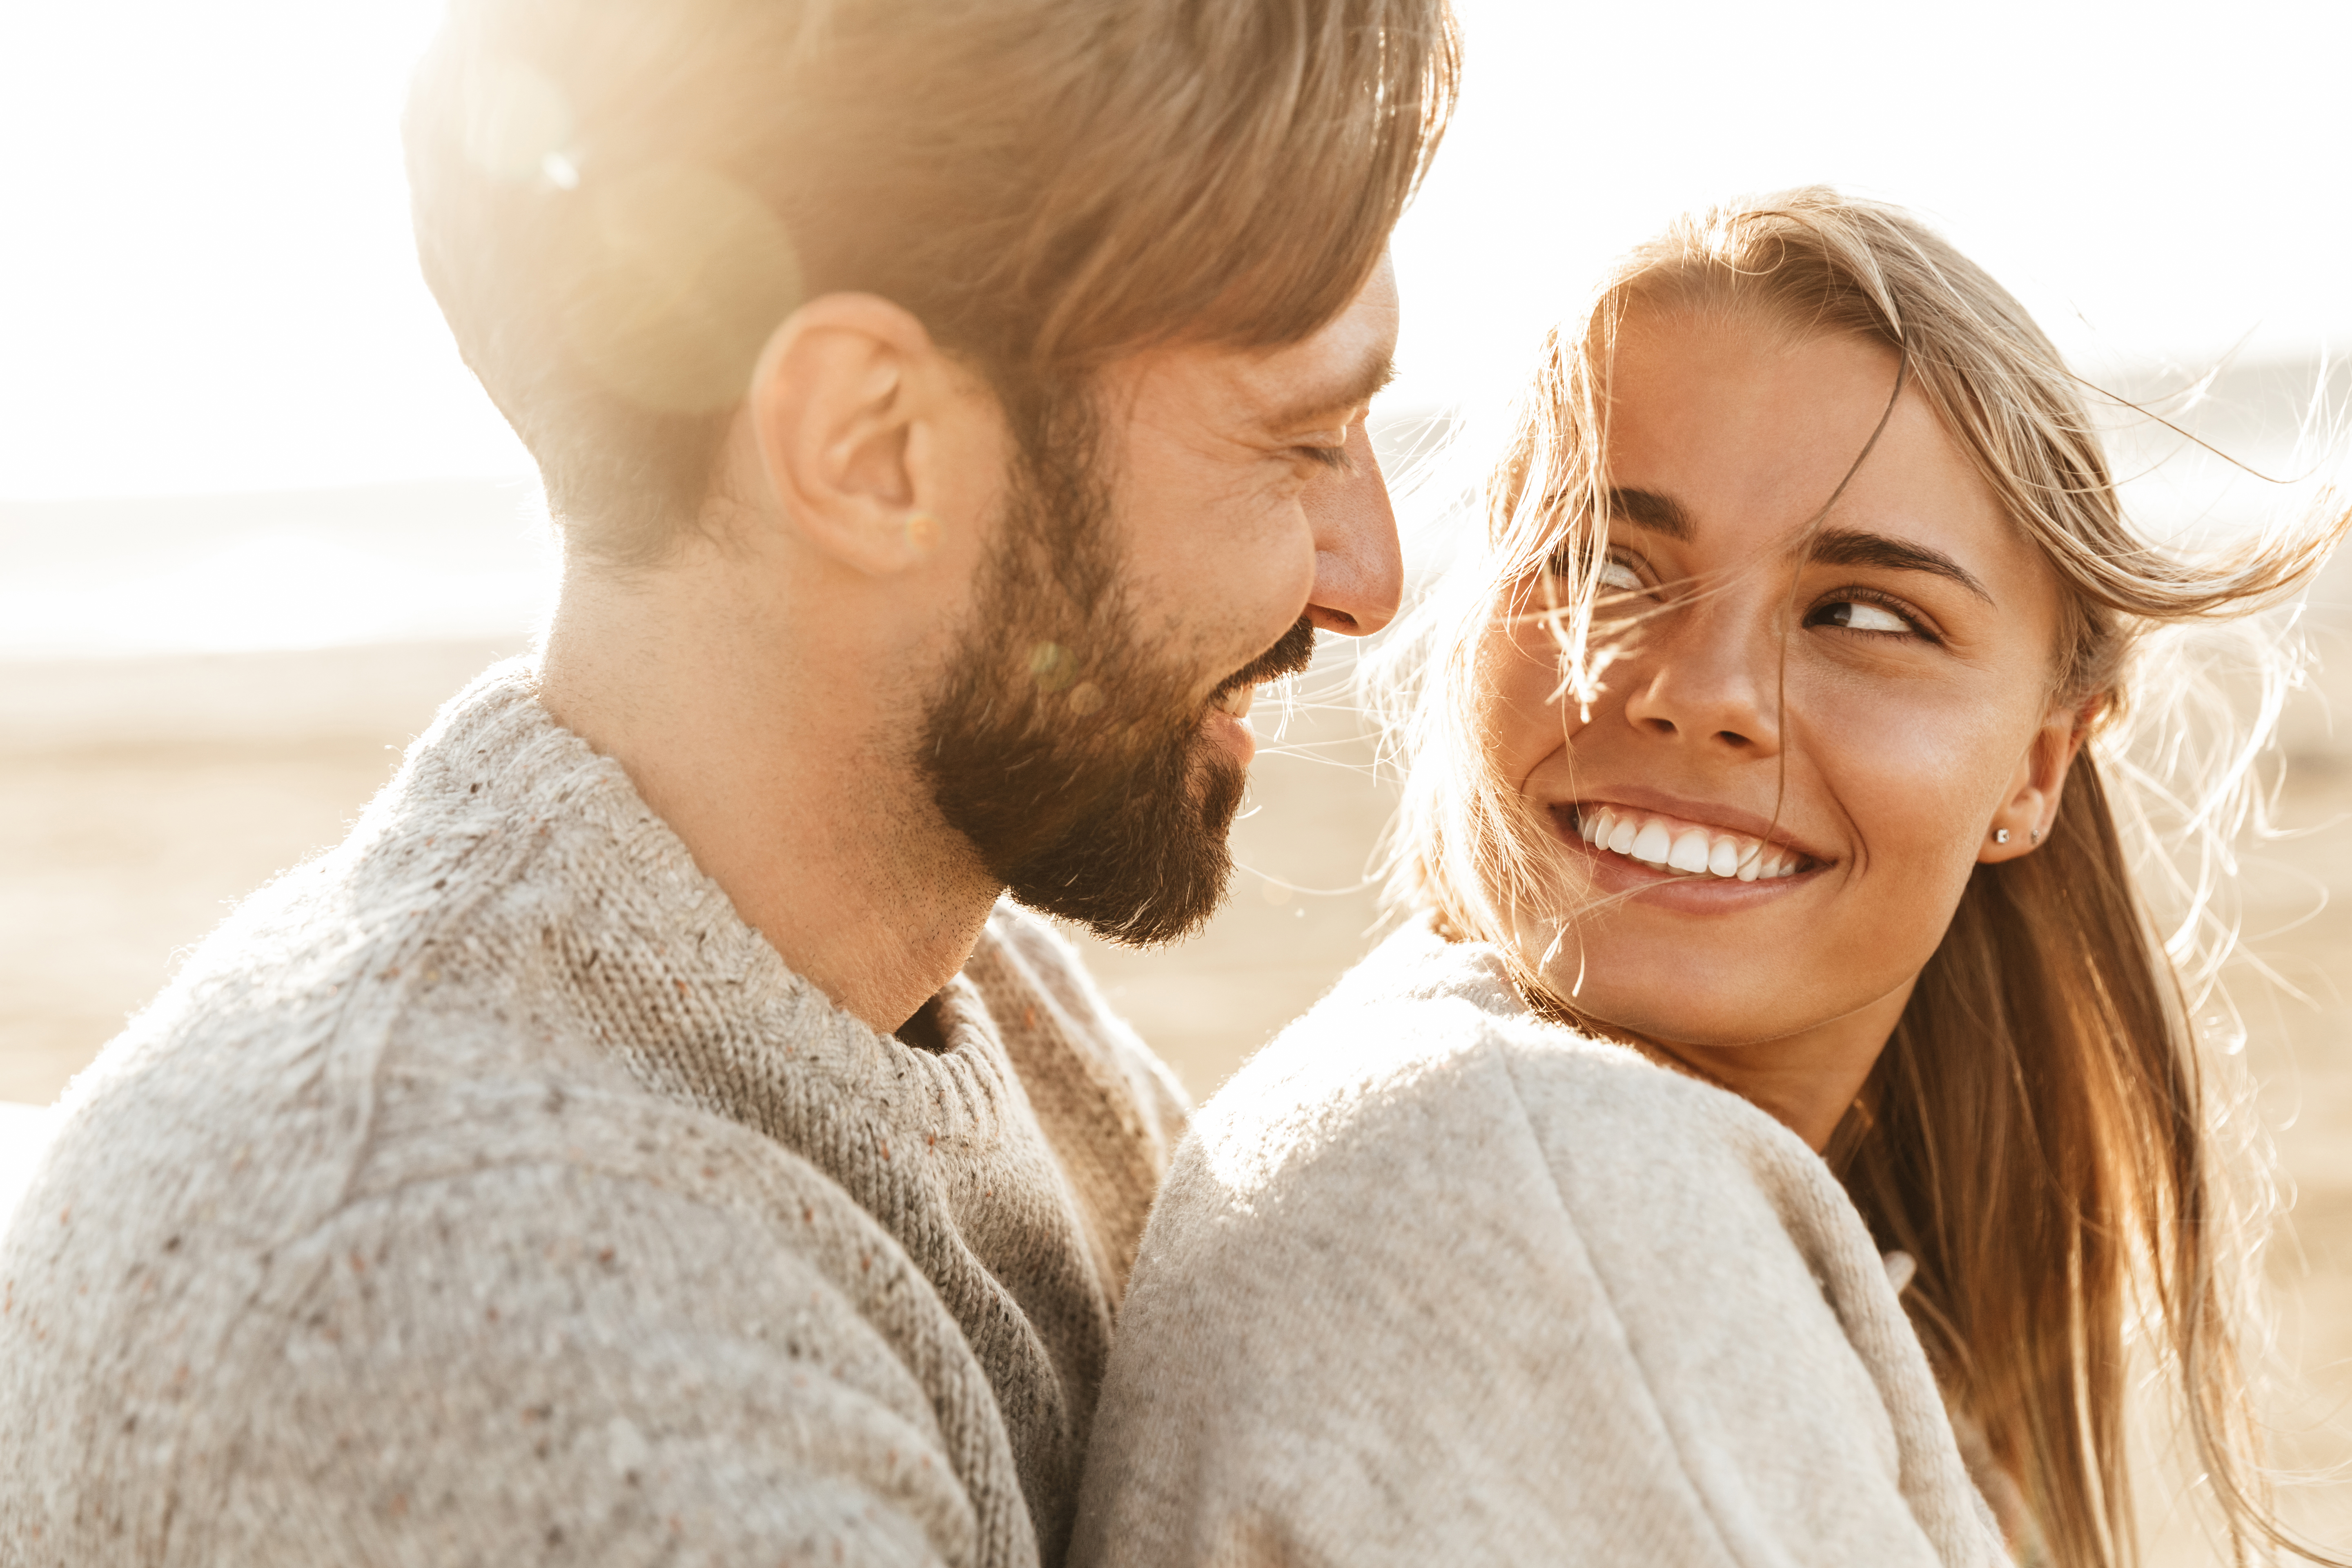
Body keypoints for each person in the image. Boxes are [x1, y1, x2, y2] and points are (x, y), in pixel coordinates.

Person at [0, 2, 1458, 1564]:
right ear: (870, 444)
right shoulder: (492, 1326)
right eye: (1300, 442)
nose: (1371, 579)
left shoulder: (962, 989)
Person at [1073, 189, 2351, 1567]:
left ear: (2037, 771)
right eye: (1604, 564)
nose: (1703, 694)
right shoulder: (1555, 1189)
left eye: (1865, 614)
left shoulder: (1570, 1154)